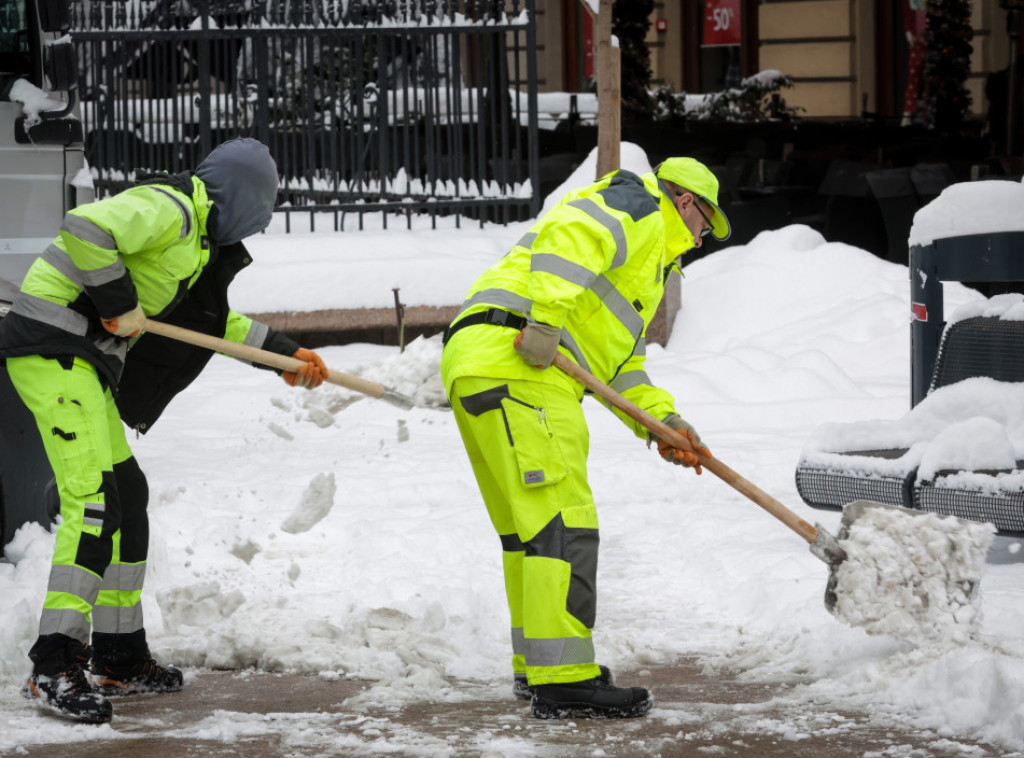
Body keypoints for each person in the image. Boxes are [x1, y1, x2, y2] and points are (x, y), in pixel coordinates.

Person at [0, 137, 329, 724]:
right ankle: (54, 662)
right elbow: (86, 226)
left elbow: (209, 322)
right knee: (95, 501)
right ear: (243, 198)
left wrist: (283, 354)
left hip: (85, 360)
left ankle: (120, 656)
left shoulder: (197, 246)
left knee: (128, 496)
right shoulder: (172, 208)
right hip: (52, 348)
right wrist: (117, 300)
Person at [439, 157, 730, 720]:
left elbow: (619, 373)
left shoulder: (643, 273)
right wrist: (545, 325)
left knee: (529, 533)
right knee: (563, 523)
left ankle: (542, 665)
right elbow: (571, 235)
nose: (698, 242)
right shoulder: (639, 205)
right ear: (687, 202)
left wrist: (666, 426)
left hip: (485, 363)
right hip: (519, 361)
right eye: (703, 228)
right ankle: (565, 680)